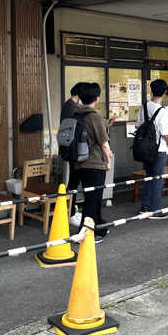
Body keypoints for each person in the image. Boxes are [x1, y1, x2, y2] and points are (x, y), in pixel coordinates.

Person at [73, 82, 112, 242]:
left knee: (92, 196)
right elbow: (104, 143)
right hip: (95, 162)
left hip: (80, 162)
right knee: (93, 198)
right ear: (97, 98)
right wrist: (108, 159)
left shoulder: (76, 114)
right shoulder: (93, 116)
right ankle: (89, 233)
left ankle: (98, 226)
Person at [135, 79, 168, 219]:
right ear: (164, 92)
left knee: (149, 177)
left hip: (146, 149)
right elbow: (164, 133)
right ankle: (155, 210)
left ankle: (144, 207)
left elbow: (137, 126)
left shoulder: (144, 107)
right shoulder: (162, 111)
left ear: (151, 91)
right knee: (157, 179)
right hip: (159, 150)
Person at [61, 83, 86, 227]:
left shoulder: (69, 104)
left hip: (69, 148)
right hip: (73, 149)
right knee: (74, 181)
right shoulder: (72, 107)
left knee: (74, 180)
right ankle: (70, 213)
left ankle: (71, 209)